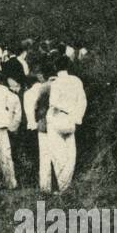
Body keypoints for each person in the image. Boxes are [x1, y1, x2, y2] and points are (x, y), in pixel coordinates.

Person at [46, 54, 87, 192]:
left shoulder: (56, 83)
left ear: (55, 67)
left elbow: (53, 102)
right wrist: (77, 117)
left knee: (58, 155)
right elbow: (82, 101)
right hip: (71, 120)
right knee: (71, 155)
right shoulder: (76, 81)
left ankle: (63, 188)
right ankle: (66, 186)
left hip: (58, 118)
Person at [23, 62, 53, 190]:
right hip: (46, 123)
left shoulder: (28, 93)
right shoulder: (47, 87)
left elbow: (31, 110)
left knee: (38, 156)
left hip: (33, 126)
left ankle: (40, 184)